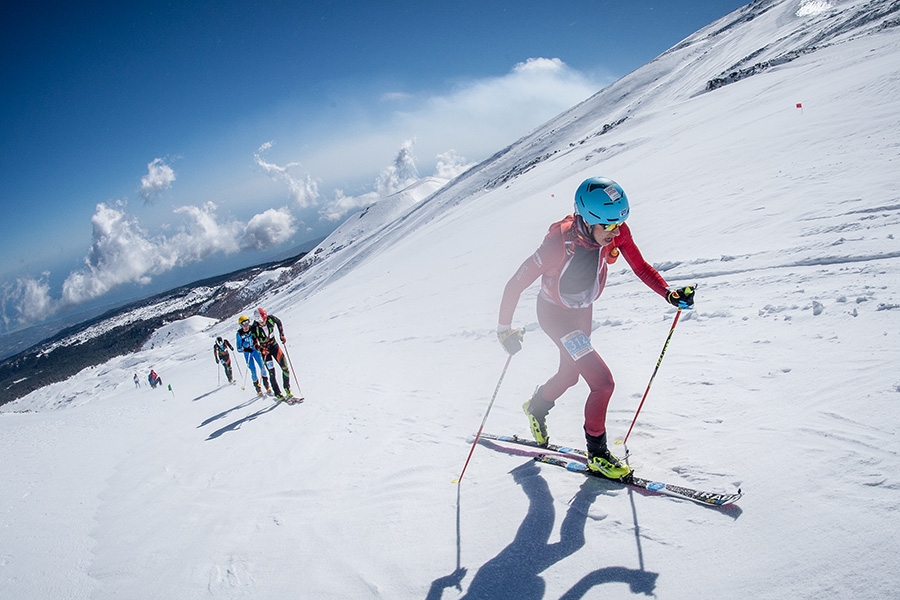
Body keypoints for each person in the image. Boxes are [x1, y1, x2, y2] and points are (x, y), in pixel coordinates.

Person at [497, 177, 694, 480]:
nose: (616, 232)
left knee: (570, 375)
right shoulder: (556, 244)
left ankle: (535, 407)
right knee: (603, 383)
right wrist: (504, 330)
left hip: (581, 312)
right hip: (555, 315)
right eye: (609, 226)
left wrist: (668, 292)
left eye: (619, 225)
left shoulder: (614, 230)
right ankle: (597, 453)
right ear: (587, 221)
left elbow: (640, 266)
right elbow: (515, 283)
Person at [248, 307, 297, 401]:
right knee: (272, 372)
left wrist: (281, 335)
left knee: (285, 368)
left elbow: (279, 322)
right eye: (262, 321)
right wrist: (261, 349)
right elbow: (254, 343)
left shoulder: (270, 319)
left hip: (274, 346)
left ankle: (287, 388)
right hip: (265, 351)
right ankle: (277, 393)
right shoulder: (254, 328)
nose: (264, 322)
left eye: (264, 319)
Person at [236, 315, 272, 396]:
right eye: (243, 324)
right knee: (253, 370)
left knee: (262, 367)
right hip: (248, 354)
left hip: (256, 351)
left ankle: (267, 385)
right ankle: (258, 388)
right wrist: (245, 349)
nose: (246, 326)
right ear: (240, 325)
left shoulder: (253, 329)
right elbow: (238, 348)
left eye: (247, 323)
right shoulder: (239, 333)